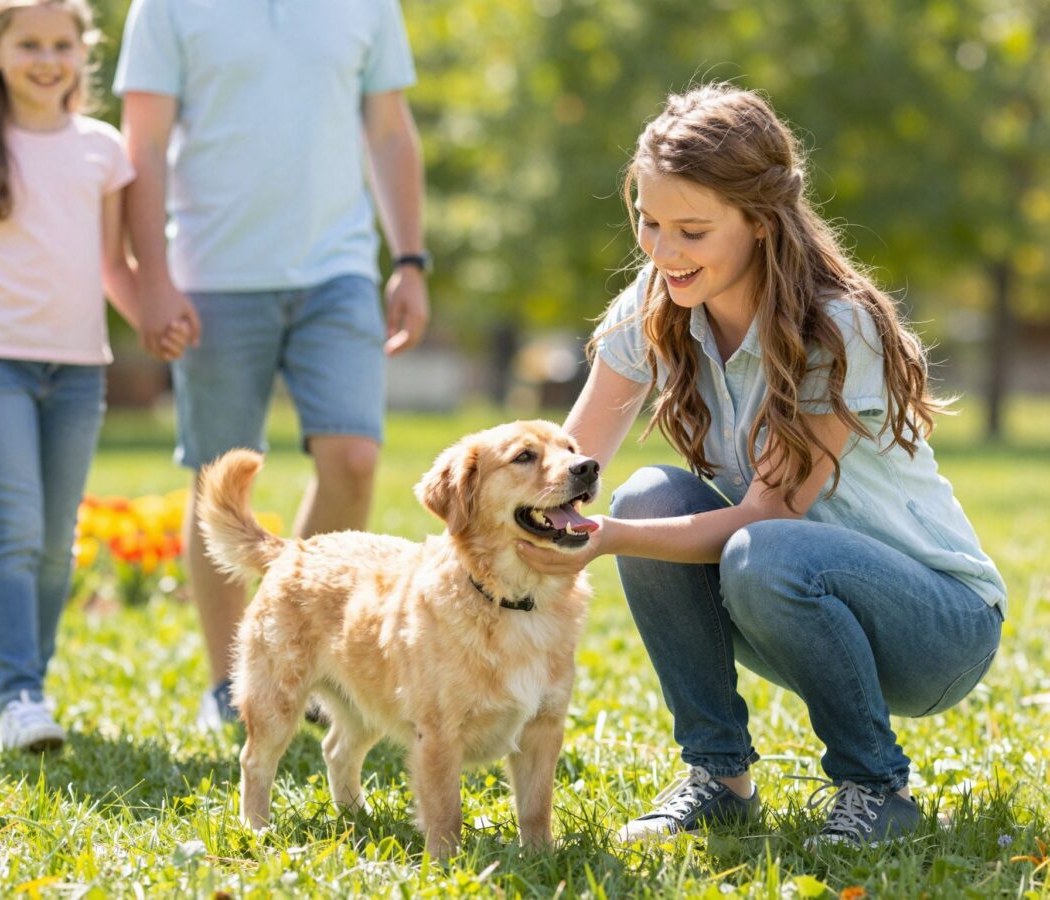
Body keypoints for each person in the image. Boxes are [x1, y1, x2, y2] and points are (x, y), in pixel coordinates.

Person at [516, 84, 1005, 846]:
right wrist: (492, 531)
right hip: (785, 595)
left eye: (692, 230)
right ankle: (719, 778)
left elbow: (766, 519)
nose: (663, 251)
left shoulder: (835, 327)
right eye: (648, 223)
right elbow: (560, 465)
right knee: (648, 497)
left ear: (760, 223)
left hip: (937, 627)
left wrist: (602, 538)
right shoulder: (656, 304)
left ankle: (876, 787)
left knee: (757, 547)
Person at [114, 0, 431, 730]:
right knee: (221, 486)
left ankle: (298, 648)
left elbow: (388, 130)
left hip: (340, 269)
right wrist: (152, 277)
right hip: (212, 275)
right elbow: (145, 143)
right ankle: (234, 683)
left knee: (352, 458)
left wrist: (409, 259)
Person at [0, 0, 185, 751]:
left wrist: (152, 319)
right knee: (17, 523)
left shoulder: (102, 150)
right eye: (29, 43)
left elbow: (111, 264)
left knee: (58, 537)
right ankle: (19, 695)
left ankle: (30, 679)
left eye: (62, 44)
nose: (47, 58)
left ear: (83, 52)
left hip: (77, 371)